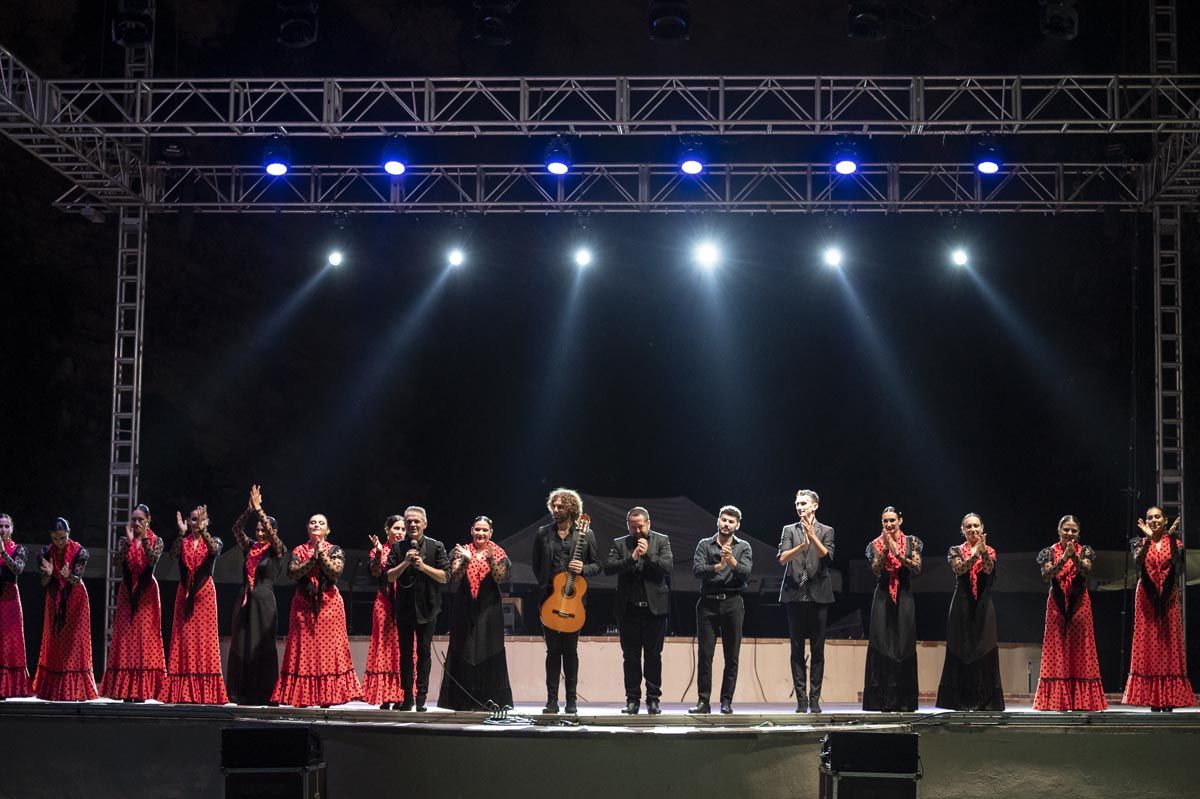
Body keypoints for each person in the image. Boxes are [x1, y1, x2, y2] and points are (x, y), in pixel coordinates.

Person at [273, 514, 362, 707]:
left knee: (328, 651)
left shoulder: (334, 550)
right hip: (303, 606)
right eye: (313, 522)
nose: (316, 525)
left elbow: (335, 572)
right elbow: (292, 573)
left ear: (327, 530)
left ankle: (327, 696)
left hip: (329, 606)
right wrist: (312, 558)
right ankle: (302, 696)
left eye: (321, 523)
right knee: (303, 650)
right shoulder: (299, 549)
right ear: (307, 527)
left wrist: (320, 554)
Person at [531, 488, 601, 714]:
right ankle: (552, 701)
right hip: (549, 601)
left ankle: (571, 701)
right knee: (552, 652)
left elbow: (597, 565)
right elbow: (536, 565)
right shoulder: (543, 533)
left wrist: (584, 568)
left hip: (573, 603)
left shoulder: (585, 535)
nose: (556, 510)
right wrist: (548, 587)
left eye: (561, 506)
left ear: (571, 508)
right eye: (554, 506)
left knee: (570, 652)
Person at [1122, 507, 1195, 711]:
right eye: (1150, 518)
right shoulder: (1140, 543)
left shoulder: (1176, 543)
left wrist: (1170, 539)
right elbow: (1138, 563)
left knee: (1168, 642)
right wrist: (1148, 540)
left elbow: (1178, 566)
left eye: (1157, 517)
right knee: (1148, 642)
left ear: (1164, 520)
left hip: (1169, 596)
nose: (1153, 520)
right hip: (1146, 597)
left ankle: (1169, 697)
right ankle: (1152, 697)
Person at [439, 516, 514, 711]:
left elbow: (499, 578)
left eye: (485, 530)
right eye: (477, 529)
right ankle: (461, 701)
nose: (481, 533)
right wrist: (465, 559)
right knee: (463, 648)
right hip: (464, 606)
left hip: (489, 608)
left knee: (489, 650)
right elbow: (454, 577)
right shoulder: (461, 550)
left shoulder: (498, 552)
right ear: (471, 530)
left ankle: (491, 700)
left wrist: (489, 557)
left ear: (491, 533)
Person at [1032, 515, 1107, 711]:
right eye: (1066, 529)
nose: (1070, 533)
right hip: (1056, 605)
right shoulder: (1049, 552)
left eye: (1074, 530)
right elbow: (1047, 575)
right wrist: (1064, 557)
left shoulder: (1085, 551)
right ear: (1059, 530)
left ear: (1079, 533)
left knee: (1081, 649)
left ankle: (1081, 700)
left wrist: (1073, 555)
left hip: (1080, 605)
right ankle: (1057, 700)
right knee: (1056, 648)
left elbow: (1086, 571)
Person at [604, 506, 673, 715]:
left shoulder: (661, 541)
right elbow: (608, 568)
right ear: (628, 526)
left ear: (648, 524)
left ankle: (653, 700)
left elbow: (667, 567)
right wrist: (632, 558)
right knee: (631, 657)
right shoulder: (620, 543)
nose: (637, 531)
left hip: (655, 611)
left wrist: (648, 555)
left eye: (640, 526)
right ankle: (632, 700)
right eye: (632, 527)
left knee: (654, 656)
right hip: (629, 611)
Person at [935, 513, 1004, 711]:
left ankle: (985, 700)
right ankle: (959, 700)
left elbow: (989, 570)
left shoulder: (990, 550)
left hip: (983, 603)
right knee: (960, 646)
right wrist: (975, 554)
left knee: (984, 646)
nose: (973, 530)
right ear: (962, 530)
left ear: (982, 528)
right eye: (968, 526)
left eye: (976, 526)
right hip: (961, 603)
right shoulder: (955, 550)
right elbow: (960, 569)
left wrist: (982, 552)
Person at [160, 504, 228, 704]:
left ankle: (205, 692)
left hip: (205, 594)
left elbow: (215, 551)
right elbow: (171, 556)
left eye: (200, 519)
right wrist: (181, 534)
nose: (196, 522)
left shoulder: (213, 540)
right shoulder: (184, 541)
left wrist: (204, 530)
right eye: (192, 518)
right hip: (184, 593)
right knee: (184, 639)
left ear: (206, 522)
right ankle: (182, 690)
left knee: (204, 640)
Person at [99, 504, 166, 701]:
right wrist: (128, 543)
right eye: (134, 519)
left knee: (145, 638)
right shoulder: (124, 541)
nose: (136, 523)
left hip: (146, 594)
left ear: (148, 520)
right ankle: (125, 689)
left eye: (140, 519)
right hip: (127, 593)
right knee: (126, 638)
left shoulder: (156, 540)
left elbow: (153, 560)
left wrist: (143, 538)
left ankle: (143, 690)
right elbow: (116, 563)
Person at [777, 489, 835, 713]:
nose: (799, 507)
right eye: (797, 504)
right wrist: (801, 545)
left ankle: (814, 699)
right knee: (797, 650)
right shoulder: (789, 530)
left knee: (818, 650)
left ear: (815, 506)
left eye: (803, 503)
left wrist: (812, 536)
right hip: (794, 594)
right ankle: (801, 700)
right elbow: (782, 558)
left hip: (818, 595)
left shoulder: (826, 530)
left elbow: (827, 556)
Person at [690, 505, 752, 715]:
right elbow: (697, 570)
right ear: (718, 521)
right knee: (705, 655)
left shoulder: (743, 547)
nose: (726, 524)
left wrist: (731, 561)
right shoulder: (704, 545)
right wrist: (716, 567)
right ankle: (703, 702)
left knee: (731, 656)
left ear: (737, 525)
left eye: (731, 521)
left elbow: (745, 573)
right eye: (724, 520)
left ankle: (726, 702)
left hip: (732, 603)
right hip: (708, 603)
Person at [386, 505, 449, 711]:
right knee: (405, 654)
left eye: (416, 521)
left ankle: (421, 697)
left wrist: (423, 567)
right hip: (404, 608)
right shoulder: (397, 548)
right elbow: (388, 576)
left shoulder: (436, 546)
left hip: (428, 607)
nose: (412, 524)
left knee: (424, 652)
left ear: (424, 524)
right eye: (409, 521)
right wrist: (405, 563)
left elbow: (445, 576)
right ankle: (407, 696)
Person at [227, 485, 285, 705]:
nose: (260, 533)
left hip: (264, 602)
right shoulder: (250, 547)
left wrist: (261, 510)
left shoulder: (277, 550)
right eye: (258, 530)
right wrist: (250, 510)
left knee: (262, 645)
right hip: (244, 599)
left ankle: (265, 693)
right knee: (241, 644)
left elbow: (272, 535)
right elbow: (236, 529)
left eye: (264, 530)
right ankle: (240, 692)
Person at [863, 506, 922, 712]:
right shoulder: (874, 544)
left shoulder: (911, 541)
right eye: (885, 521)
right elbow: (876, 570)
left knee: (903, 643)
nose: (889, 524)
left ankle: (903, 700)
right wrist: (887, 549)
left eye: (892, 520)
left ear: (900, 520)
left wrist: (897, 552)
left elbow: (916, 568)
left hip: (904, 594)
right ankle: (881, 700)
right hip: (882, 596)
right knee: (882, 643)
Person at [33, 518, 98, 701]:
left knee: (74, 643)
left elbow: (76, 579)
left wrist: (68, 575)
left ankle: (75, 690)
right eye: (55, 538)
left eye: (63, 538)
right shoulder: (44, 553)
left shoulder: (80, 552)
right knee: (55, 641)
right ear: (51, 537)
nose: (59, 542)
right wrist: (48, 574)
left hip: (76, 600)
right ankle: (54, 689)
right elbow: (44, 583)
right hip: (54, 599)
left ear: (68, 534)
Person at [363, 514, 407, 709]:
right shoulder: (379, 550)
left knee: (402, 649)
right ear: (387, 530)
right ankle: (385, 695)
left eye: (403, 529)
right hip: (384, 605)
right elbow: (374, 572)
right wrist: (380, 552)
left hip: (405, 605)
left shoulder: (409, 550)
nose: (399, 532)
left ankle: (402, 695)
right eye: (396, 528)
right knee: (384, 648)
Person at [0, 513, 32, 698]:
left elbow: (18, 569)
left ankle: (10, 687)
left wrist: (3, 551)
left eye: (6, 526)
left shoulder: (18, 549)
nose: (3, 530)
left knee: (9, 640)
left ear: (11, 529)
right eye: (0, 526)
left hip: (10, 598)